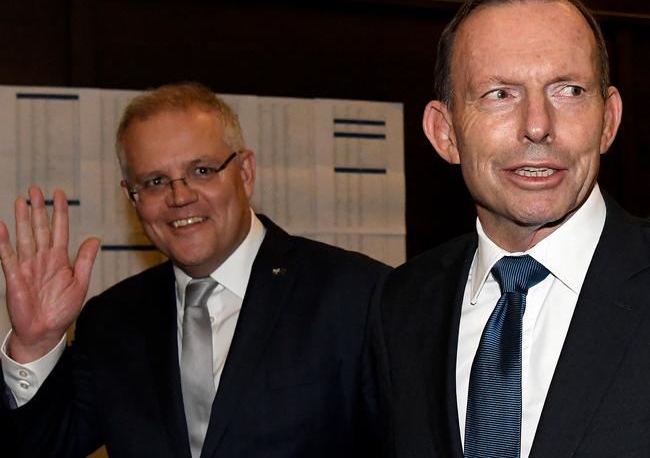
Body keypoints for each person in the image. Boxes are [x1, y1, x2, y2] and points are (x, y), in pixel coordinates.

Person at [0, 82, 389, 457]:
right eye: (154, 181)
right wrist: (34, 344)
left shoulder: (358, 296)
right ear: (131, 198)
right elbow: (45, 446)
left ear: (246, 172)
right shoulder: (112, 321)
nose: (180, 196)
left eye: (202, 171)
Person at [370, 0, 650, 458]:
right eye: (500, 94)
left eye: (568, 90)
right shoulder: (401, 304)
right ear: (445, 133)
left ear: (608, 120)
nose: (538, 125)